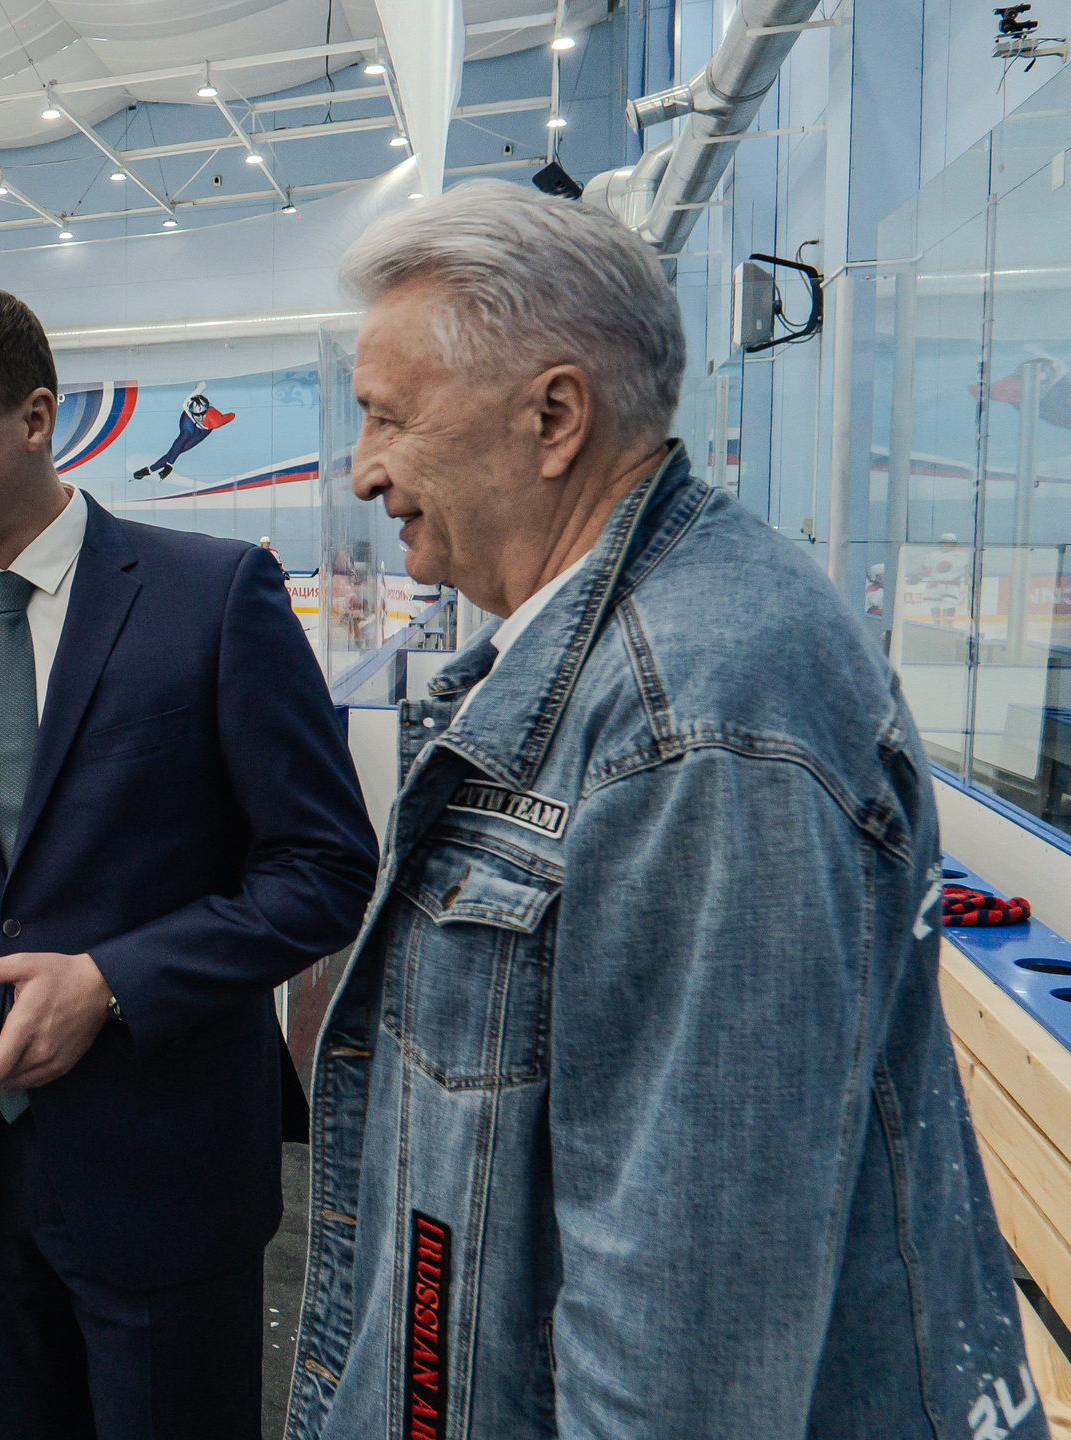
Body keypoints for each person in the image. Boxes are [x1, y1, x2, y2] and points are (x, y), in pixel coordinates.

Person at [288, 181, 1038, 1440]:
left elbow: (683, 1332)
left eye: (386, 419)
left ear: (554, 416)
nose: (364, 471)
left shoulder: (704, 718)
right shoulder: (629, 657)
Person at [0, 283, 378, 1440]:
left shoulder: (213, 596)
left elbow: (323, 866)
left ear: (33, 417)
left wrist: (112, 982)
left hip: (163, 1174)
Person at [130, 383, 235, 481]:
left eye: (201, 415)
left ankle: (149, 470)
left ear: (206, 412)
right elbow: (200, 386)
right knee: (184, 436)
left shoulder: (215, 420)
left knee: (180, 449)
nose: (198, 418)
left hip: (204, 429)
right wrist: (201, 386)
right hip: (188, 418)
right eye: (196, 414)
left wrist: (231, 415)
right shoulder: (187, 403)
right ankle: (169, 465)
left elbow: (231, 416)